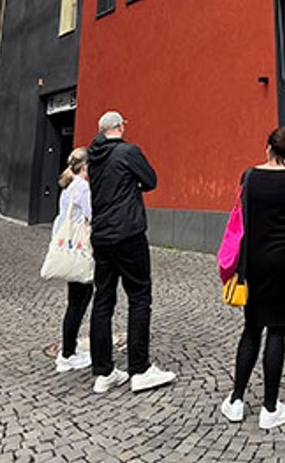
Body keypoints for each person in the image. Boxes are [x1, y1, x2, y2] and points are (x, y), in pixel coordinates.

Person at [220, 126, 285, 430]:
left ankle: (235, 400)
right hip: (284, 260)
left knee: (251, 329)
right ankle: (270, 407)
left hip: (254, 261)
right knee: (277, 332)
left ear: (267, 147)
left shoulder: (249, 177)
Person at [86, 111, 176, 394]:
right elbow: (150, 180)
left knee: (103, 300)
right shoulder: (128, 152)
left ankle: (104, 372)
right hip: (127, 232)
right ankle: (140, 369)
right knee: (139, 297)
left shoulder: (93, 155)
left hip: (101, 235)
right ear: (120, 127)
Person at [53, 147, 93, 373]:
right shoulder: (82, 187)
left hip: (68, 249)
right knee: (79, 302)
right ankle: (68, 353)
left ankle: (69, 350)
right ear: (85, 166)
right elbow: (91, 215)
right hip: (79, 250)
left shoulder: (68, 187)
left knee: (74, 302)